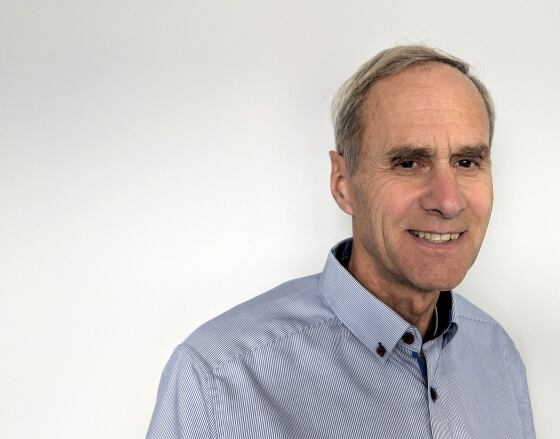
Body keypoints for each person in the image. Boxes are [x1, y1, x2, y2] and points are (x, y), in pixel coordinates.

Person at [146, 45, 535, 439]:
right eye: (408, 163)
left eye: (467, 162)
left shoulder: (497, 355)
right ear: (343, 183)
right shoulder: (219, 378)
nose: (448, 201)